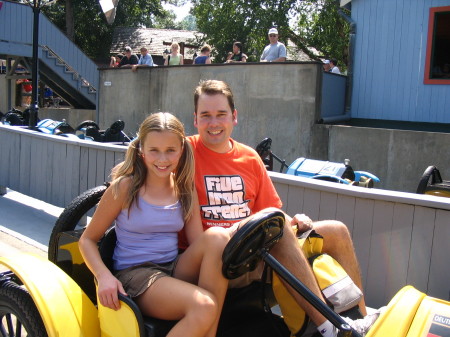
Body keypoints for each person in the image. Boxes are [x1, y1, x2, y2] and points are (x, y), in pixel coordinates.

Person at [182, 79, 382, 337]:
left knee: (336, 230)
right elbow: (148, 153)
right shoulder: (184, 151)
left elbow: (270, 211)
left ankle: (361, 319)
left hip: (253, 250)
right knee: (276, 229)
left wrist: (293, 219)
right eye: (205, 115)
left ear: (234, 117)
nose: (214, 123)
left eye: (221, 114)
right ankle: (329, 326)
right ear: (195, 120)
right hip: (215, 256)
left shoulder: (250, 158)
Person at [79, 112, 230, 337]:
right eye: (154, 151)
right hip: (137, 274)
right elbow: (87, 240)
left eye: (170, 150)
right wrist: (104, 276)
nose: (162, 159)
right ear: (141, 150)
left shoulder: (185, 189)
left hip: (173, 266)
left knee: (217, 237)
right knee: (205, 305)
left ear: (182, 149)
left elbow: (200, 244)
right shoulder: (124, 188)